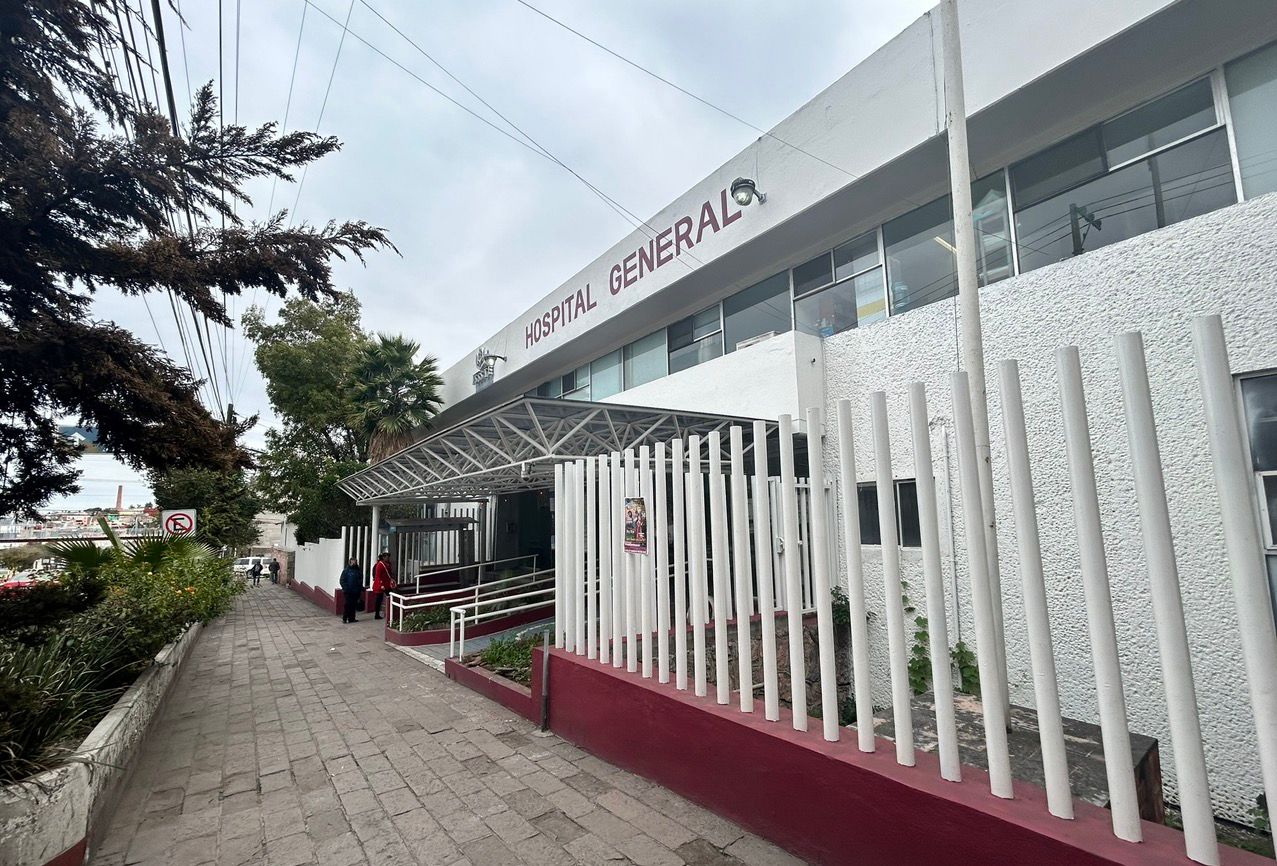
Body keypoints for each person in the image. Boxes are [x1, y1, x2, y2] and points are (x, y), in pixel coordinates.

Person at [371, 552, 396, 620]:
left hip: (387, 584)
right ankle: (377, 614)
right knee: (379, 600)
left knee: (390, 596)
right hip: (381, 585)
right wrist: (381, 584)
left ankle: (390, 612)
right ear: (383, 557)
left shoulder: (388, 564)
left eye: (388, 557)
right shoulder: (380, 564)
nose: (388, 558)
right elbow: (378, 576)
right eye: (386, 557)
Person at [339, 558, 363, 623]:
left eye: (355, 562)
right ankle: (344, 618)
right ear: (350, 563)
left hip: (356, 591)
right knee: (348, 605)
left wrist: (360, 588)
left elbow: (360, 580)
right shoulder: (346, 571)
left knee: (353, 605)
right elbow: (342, 580)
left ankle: (352, 618)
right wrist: (346, 588)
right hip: (348, 591)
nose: (354, 563)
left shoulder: (358, 571)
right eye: (352, 562)